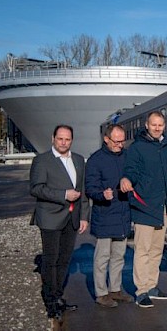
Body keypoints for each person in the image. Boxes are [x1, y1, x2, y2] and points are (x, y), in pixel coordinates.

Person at [119, 111, 167, 308]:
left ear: (164, 126)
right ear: (147, 125)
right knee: (142, 250)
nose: (157, 128)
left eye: (160, 125)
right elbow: (131, 171)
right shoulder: (137, 148)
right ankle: (141, 291)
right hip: (144, 206)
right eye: (154, 125)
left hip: (162, 207)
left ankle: (152, 286)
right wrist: (127, 180)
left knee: (156, 250)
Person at [30, 124, 89, 321]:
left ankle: (58, 296)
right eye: (60, 139)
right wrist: (63, 195)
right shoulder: (42, 160)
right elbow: (36, 189)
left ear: (72, 140)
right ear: (53, 138)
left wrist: (83, 217)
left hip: (71, 219)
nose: (63, 142)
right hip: (50, 217)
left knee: (64, 260)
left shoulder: (79, 160)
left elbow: (83, 192)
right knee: (51, 260)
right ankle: (50, 301)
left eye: (67, 139)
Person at [85, 124, 134, 308]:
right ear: (106, 139)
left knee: (119, 255)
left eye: (122, 141)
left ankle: (115, 289)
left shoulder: (127, 157)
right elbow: (90, 188)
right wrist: (101, 195)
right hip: (105, 214)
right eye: (117, 141)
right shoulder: (95, 160)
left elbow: (134, 175)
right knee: (102, 257)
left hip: (122, 214)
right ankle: (101, 293)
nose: (120, 145)